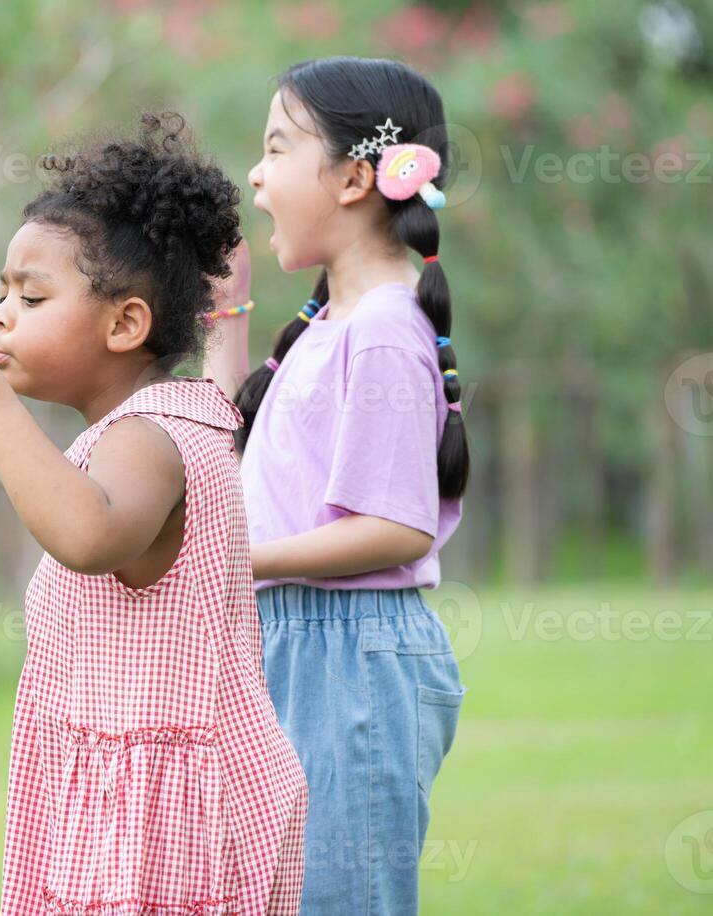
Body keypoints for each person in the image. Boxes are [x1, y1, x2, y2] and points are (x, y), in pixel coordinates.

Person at [0, 111, 308, 915]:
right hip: (144, 793)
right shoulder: (162, 422)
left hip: (165, 816)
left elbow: (91, 536)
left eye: (31, 296)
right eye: (1, 294)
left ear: (126, 323)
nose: (0, 315)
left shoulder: (148, 436)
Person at [203, 56, 470, 915]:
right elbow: (226, 465)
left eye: (277, 146)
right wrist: (224, 317)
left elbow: (398, 529)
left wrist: (235, 561)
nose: (255, 173)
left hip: (348, 655)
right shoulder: (326, 327)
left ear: (355, 177)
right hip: (297, 643)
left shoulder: (386, 329)